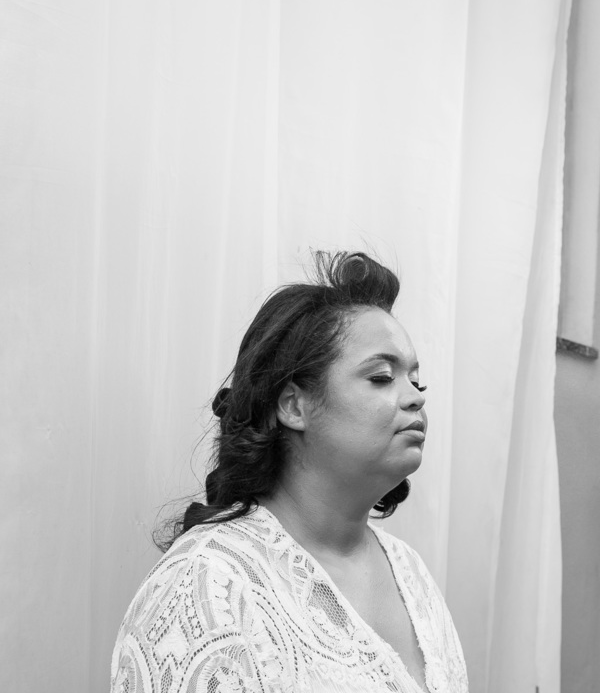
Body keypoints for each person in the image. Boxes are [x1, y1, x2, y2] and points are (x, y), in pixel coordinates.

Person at [111, 251, 467, 693]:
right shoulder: (207, 586)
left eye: (417, 380)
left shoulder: (409, 573)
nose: (415, 397)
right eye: (381, 377)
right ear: (294, 405)